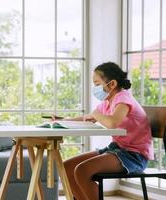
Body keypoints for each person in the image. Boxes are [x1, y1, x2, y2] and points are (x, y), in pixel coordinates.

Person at [60, 62, 153, 200]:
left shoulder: (123, 99)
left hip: (134, 156)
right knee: (66, 168)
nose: (95, 88)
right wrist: (61, 120)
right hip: (116, 149)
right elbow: (87, 118)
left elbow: (112, 123)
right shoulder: (108, 101)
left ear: (112, 84)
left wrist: (96, 115)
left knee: (82, 170)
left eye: (97, 84)